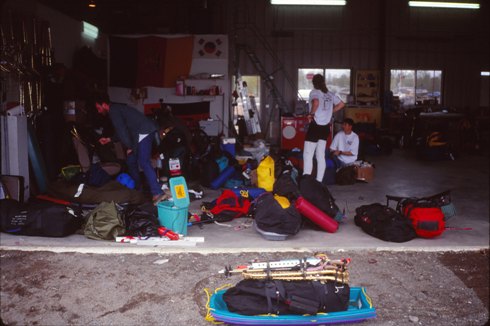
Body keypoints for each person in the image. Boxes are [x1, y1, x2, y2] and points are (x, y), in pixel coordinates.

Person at [94, 94, 166, 204]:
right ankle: (137, 189)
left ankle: (157, 192)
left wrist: (130, 147)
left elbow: (123, 132)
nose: (98, 111)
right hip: (140, 133)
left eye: (99, 108)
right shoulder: (117, 109)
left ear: (104, 105)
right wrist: (109, 139)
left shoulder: (114, 111)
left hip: (144, 132)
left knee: (144, 162)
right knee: (131, 161)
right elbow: (121, 130)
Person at [303, 74, 345, 182]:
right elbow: (341, 104)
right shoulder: (330, 94)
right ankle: (319, 181)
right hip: (325, 128)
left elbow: (316, 102)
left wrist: (311, 114)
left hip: (315, 126)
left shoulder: (314, 92)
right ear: (323, 82)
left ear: (314, 83)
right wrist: (330, 112)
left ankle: (306, 182)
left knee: (308, 155)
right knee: (320, 156)